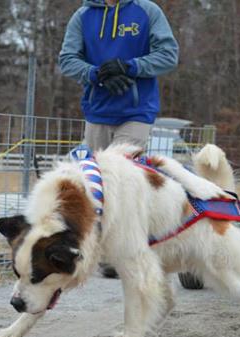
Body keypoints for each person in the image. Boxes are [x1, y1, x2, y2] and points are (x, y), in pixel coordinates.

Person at [59, 0, 179, 277]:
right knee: (92, 183)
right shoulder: (83, 16)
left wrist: (130, 67)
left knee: (123, 180)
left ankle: (121, 253)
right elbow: (67, 59)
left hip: (136, 111)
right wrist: (95, 74)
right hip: (97, 111)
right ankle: (90, 249)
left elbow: (168, 54)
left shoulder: (147, 11)